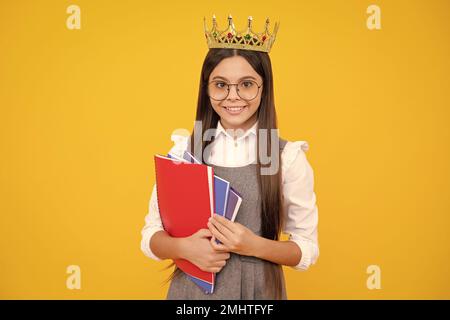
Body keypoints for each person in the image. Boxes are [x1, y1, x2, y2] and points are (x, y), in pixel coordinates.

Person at [140, 15, 319, 299]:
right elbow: (151, 236)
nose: (233, 96)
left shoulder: (288, 157)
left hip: (257, 294)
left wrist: (252, 245)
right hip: (192, 294)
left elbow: (306, 249)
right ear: (207, 88)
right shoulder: (184, 151)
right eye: (221, 85)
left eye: (246, 84)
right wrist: (184, 249)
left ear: (264, 87)